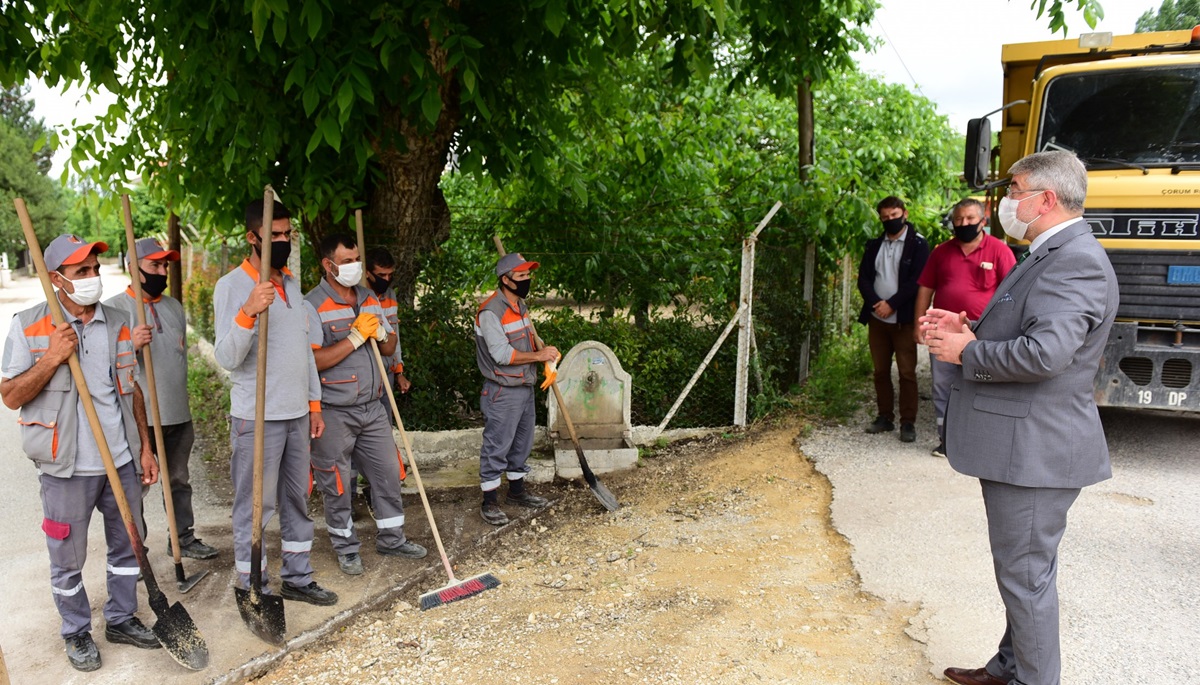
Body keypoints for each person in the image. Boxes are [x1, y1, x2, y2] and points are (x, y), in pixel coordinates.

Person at [923, 151, 1118, 685]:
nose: (1005, 200)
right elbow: (1032, 328)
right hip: (1025, 447)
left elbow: (1044, 355)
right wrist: (968, 327)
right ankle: (1008, 667)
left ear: (1046, 199)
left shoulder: (1073, 258)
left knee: (1025, 577)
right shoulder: (1050, 250)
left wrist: (965, 353)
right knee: (1023, 573)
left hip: (1036, 451)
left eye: (1014, 189)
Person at [1, 234, 160, 672]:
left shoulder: (118, 321)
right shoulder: (29, 325)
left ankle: (122, 618)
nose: (93, 278)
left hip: (121, 461)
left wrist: (145, 447)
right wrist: (52, 357)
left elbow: (131, 390)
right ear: (57, 279)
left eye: (94, 269)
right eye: (81, 272)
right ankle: (75, 632)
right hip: (64, 466)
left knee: (130, 545)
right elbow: (11, 395)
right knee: (66, 559)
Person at [213, 199, 337, 606]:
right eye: (275, 236)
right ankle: (253, 585)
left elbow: (303, 350)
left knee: (296, 500)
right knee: (254, 504)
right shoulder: (231, 287)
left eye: (288, 234)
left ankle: (298, 578)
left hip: (297, 414)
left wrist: (314, 404)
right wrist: (249, 311)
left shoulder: (291, 282)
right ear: (252, 238)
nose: (283, 241)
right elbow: (227, 358)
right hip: (257, 416)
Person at [304, 234, 427, 576]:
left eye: (357, 259)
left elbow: (388, 350)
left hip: (373, 406)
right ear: (328, 266)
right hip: (333, 409)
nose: (354, 267)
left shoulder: (369, 297)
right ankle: (345, 547)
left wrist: (382, 335)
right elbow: (312, 361)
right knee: (338, 482)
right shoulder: (312, 305)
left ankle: (392, 538)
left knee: (389, 472)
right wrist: (355, 338)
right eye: (347, 262)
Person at [105, 237, 218, 559]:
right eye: (154, 265)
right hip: (139, 419)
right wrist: (130, 348)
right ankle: (133, 552)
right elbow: (100, 370)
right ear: (133, 268)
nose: (162, 271)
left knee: (179, 480)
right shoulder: (113, 310)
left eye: (164, 265)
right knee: (135, 487)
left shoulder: (173, 307)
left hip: (177, 414)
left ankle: (183, 537)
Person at [914, 199, 1016, 458]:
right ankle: (946, 440)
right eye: (959, 220)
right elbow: (925, 288)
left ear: (983, 221)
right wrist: (920, 324)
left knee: (983, 385)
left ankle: (980, 440)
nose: (964, 224)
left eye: (970, 219)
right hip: (943, 332)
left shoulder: (999, 251)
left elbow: (1012, 294)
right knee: (943, 385)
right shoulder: (941, 252)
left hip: (984, 335)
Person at [474, 253, 559, 525]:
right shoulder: (490, 312)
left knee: (521, 443)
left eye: (527, 275)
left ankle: (517, 492)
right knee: (497, 446)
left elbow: (529, 342)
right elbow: (501, 354)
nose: (527, 280)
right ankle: (489, 503)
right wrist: (538, 356)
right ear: (505, 280)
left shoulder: (519, 305)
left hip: (524, 386)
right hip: (502, 390)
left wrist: (547, 358)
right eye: (521, 276)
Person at [857, 196, 930, 442]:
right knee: (880, 371)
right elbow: (863, 279)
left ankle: (907, 422)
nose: (891, 221)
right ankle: (884, 417)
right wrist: (877, 303)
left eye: (894, 215)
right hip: (878, 319)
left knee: (907, 372)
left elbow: (917, 281)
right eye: (885, 217)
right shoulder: (873, 245)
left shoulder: (918, 245)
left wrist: (892, 304)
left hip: (904, 319)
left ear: (905, 214)